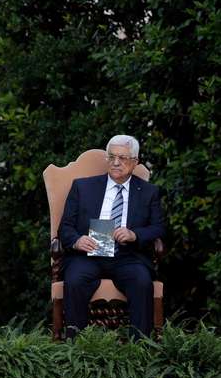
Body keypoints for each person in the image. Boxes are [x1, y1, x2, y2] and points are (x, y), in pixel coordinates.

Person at [59, 134, 165, 338]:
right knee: (74, 280)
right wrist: (77, 240)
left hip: (128, 256)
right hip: (88, 254)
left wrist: (135, 234)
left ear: (135, 162)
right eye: (112, 157)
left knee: (142, 281)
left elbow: (158, 228)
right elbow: (65, 227)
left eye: (123, 158)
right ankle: (76, 348)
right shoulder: (82, 186)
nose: (116, 163)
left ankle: (140, 349)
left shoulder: (149, 192)